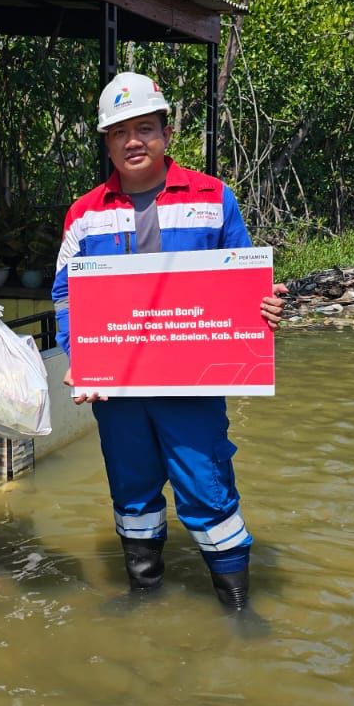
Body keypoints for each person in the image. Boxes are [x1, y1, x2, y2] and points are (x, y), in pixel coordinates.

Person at [51, 71, 286, 612]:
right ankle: (144, 593)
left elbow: (246, 283)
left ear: (166, 132)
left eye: (145, 128)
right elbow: (66, 294)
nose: (133, 141)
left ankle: (237, 607)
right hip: (117, 387)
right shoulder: (84, 214)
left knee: (207, 487)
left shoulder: (213, 197)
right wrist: (80, 356)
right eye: (119, 132)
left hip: (192, 382)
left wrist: (264, 309)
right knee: (132, 492)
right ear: (107, 142)